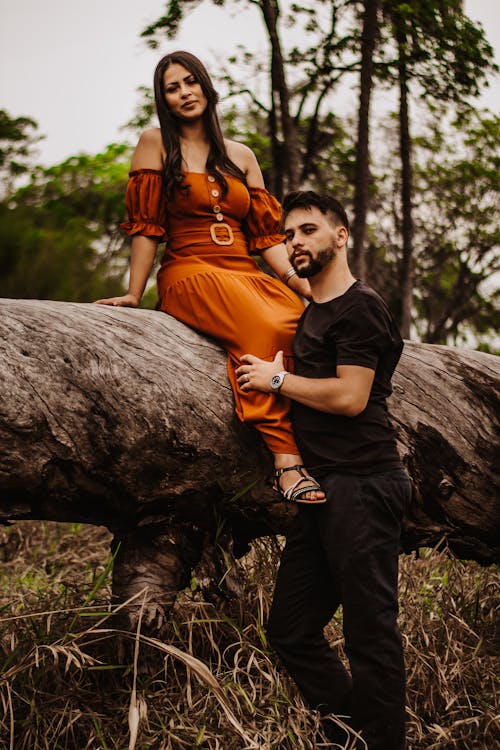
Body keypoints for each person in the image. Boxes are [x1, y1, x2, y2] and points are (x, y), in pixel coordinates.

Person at [96, 50, 324, 503]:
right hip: (190, 271)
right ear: (163, 100)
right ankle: (285, 461)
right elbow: (146, 228)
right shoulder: (155, 143)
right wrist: (133, 293)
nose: (184, 93)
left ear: (206, 85)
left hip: (246, 271)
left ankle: (322, 446)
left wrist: (305, 287)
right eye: (172, 88)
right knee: (265, 326)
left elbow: (265, 240)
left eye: (190, 82)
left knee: (300, 325)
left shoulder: (241, 155)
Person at [236, 190, 412, 750]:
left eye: (308, 230)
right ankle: (353, 735)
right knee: (290, 629)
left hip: (364, 485)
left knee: (370, 633)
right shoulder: (314, 307)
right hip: (323, 489)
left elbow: (351, 397)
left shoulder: (360, 307)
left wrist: (276, 381)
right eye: (289, 236)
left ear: (341, 236)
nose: (295, 243)